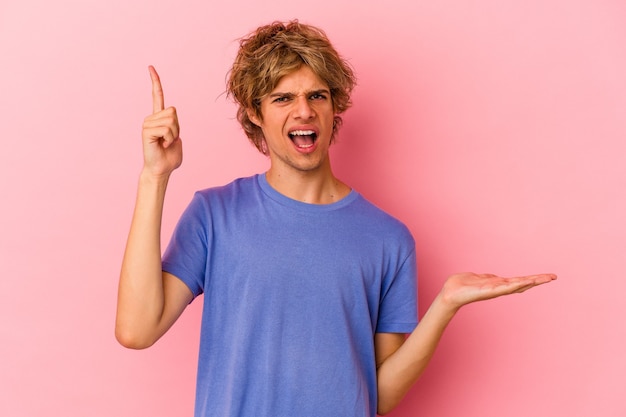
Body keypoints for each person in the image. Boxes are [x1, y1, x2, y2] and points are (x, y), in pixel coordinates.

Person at [115, 20, 556, 417]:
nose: (303, 111)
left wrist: (445, 305)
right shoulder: (214, 215)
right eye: (283, 98)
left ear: (333, 107)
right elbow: (136, 330)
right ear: (255, 113)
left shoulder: (388, 239)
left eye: (316, 96)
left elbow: (379, 395)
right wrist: (155, 176)